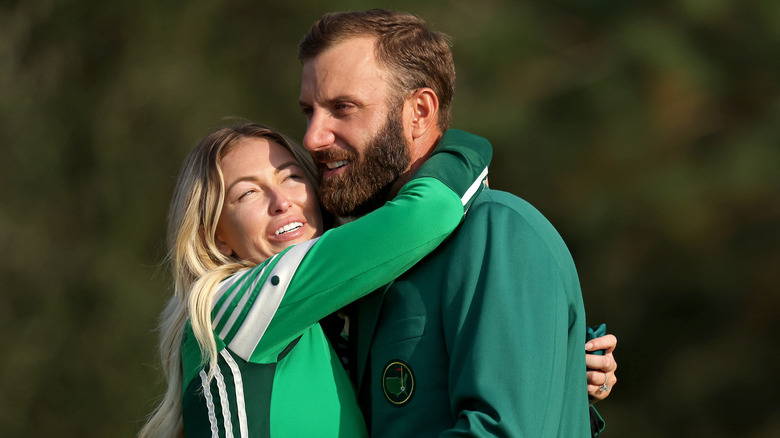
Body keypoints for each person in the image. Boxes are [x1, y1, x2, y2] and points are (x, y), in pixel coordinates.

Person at [298, 9, 616, 437]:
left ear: (420, 110)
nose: (313, 137)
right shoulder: (360, 258)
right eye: (309, 112)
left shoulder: (500, 235)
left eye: (343, 108)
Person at [138, 121, 493, 437]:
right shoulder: (235, 304)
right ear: (217, 237)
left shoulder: (320, 325)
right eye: (248, 193)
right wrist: (462, 145)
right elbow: (431, 211)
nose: (280, 202)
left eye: (291, 177)